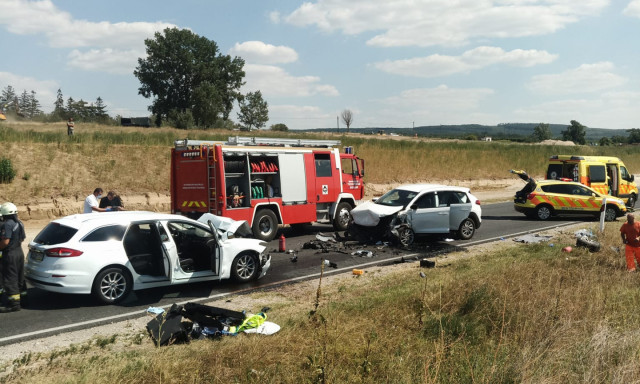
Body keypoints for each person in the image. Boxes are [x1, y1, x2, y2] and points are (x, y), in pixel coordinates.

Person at [0, 202, 26, 312]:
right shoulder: (19, 223)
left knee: (10, 278)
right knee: (20, 277)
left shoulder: (7, 224)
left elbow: (5, 241)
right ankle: (24, 298)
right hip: (19, 252)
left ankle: (14, 304)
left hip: (10, 254)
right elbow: (22, 238)